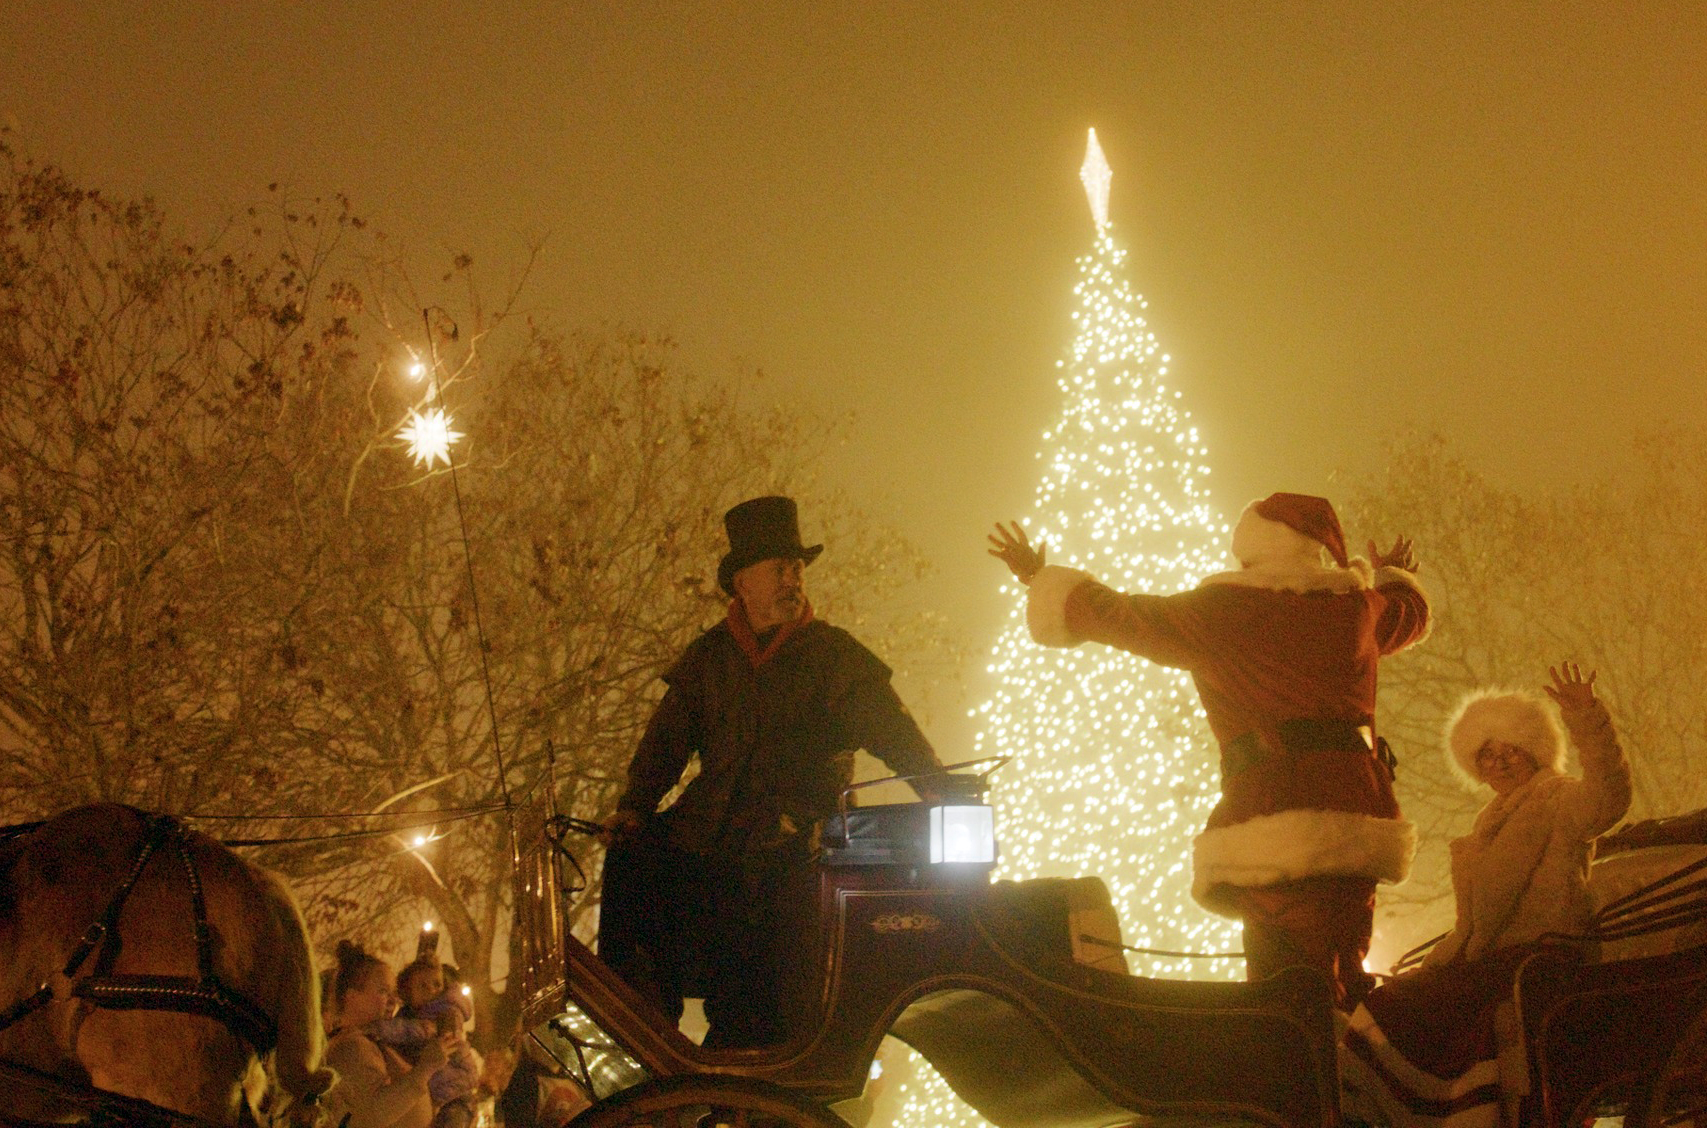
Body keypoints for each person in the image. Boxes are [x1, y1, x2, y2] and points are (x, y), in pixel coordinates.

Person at [988, 492, 1431, 1009]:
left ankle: (1298, 1080)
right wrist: (1394, 575)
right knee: (1348, 973)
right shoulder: (1357, 608)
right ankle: (1359, 1073)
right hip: (1360, 812)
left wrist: (1039, 578)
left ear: (1251, 549)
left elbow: (1124, 616)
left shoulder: (1224, 611)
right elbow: (1410, 615)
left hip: (1273, 811)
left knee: (1286, 989)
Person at [599, 495, 946, 1047]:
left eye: (797, 568)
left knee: (764, 948)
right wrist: (634, 808)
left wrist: (941, 789)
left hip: (800, 841)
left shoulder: (834, 657)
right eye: (779, 569)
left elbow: (895, 734)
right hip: (711, 836)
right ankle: (645, 1026)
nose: (792, 580)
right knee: (633, 862)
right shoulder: (710, 658)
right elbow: (664, 743)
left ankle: (743, 1048)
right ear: (743, 583)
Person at [1341, 662, 1633, 1128]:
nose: (1497, 763)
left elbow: (1608, 796)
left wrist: (1588, 719)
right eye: (1486, 755)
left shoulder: (1557, 797)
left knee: (1426, 1005)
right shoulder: (1489, 821)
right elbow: (1473, 924)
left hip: (1542, 955)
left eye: (1509, 751)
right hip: (1493, 960)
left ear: (1534, 752)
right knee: (1394, 999)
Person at [322, 941, 448, 1128]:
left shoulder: (372, 1041)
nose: (393, 1000)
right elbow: (373, 1114)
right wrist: (425, 1069)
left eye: (393, 992)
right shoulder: (351, 1048)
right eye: (383, 991)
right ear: (352, 996)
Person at [367, 958, 484, 1128]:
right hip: (443, 1091)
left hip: (456, 1094)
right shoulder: (413, 1015)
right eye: (423, 986)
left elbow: (415, 1031)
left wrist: (379, 1029)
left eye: (437, 984)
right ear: (408, 993)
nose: (432, 990)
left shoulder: (446, 1013)